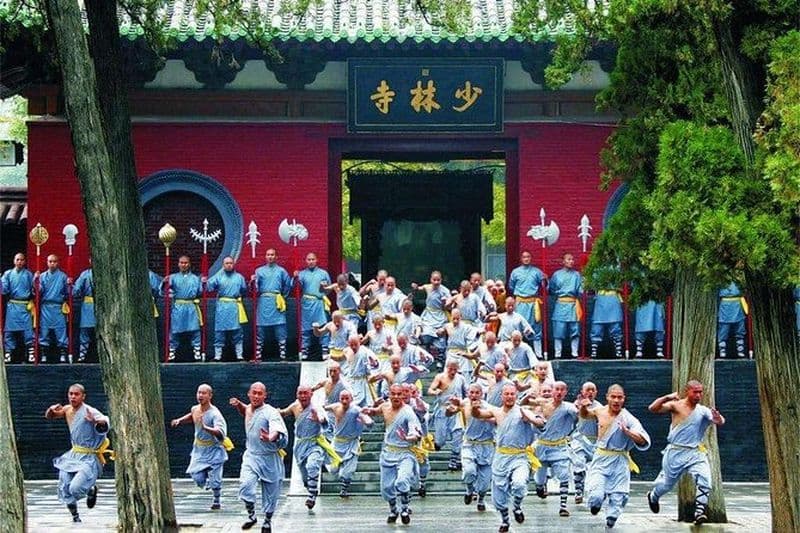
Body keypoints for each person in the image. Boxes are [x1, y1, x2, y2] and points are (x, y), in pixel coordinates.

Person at [646, 380, 726, 525]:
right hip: (675, 452)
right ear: (687, 391)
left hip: (695, 453)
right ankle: (653, 496)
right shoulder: (676, 406)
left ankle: (699, 512)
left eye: (700, 392)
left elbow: (720, 421)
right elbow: (653, 408)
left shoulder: (702, 411)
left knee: (705, 479)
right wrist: (667, 397)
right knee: (667, 485)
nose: (698, 395)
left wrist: (717, 418)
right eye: (695, 391)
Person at [471, 384, 544, 533]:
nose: (510, 397)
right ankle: (505, 520)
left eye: (512, 394)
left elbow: (538, 421)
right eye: (507, 394)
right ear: (502, 396)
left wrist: (534, 420)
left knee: (519, 484)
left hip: (520, 456)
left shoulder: (522, 411)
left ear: (516, 396)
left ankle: (517, 506)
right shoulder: (496, 411)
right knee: (499, 492)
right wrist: (474, 406)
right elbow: (478, 415)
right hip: (501, 456)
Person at [580, 384, 651, 529]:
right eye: (613, 397)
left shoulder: (628, 418)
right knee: (596, 496)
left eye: (619, 397)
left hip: (620, 460)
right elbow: (585, 415)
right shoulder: (600, 411)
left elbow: (643, 439)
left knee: (618, 498)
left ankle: (611, 519)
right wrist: (583, 407)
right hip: (601, 458)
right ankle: (596, 503)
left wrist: (627, 432)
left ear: (624, 399)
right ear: (607, 397)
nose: (616, 400)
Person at [45, 383, 111, 523]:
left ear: (83, 396)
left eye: (76, 394)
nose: (73, 397)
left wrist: (94, 422)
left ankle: (90, 490)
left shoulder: (90, 411)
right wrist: (50, 410)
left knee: (75, 488)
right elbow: (51, 416)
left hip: (89, 457)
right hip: (73, 455)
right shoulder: (67, 409)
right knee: (64, 486)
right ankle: (75, 517)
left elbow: (104, 424)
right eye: (70, 394)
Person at [229, 382, 288, 532]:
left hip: (269, 457)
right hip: (251, 456)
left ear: (265, 395)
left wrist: (270, 437)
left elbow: (276, 429)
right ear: (249, 394)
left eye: (259, 393)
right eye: (253, 393)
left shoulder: (271, 412)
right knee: (246, 485)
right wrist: (238, 405)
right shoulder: (249, 408)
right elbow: (246, 411)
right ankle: (251, 515)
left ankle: (267, 520)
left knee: (271, 492)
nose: (256, 396)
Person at [360, 384, 422, 524]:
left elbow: (415, 432)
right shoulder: (385, 406)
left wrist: (409, 437)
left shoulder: (408, 412)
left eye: (399, 394)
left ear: (403, 396)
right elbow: (376, 411)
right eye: (393, 394)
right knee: (386, 488)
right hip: (388, 453)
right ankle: (394, 509)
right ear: (389, 394)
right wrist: (368, 411)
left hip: (405, 453)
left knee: (402, 481)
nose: (396, 397)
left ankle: (405, 508)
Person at [170, 383, 231, 510]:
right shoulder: (195, 409)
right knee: (196, 475)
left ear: (210, 396)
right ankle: (207, 482)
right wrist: (179, 421)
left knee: (215, 478)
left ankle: (216, 499)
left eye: (203, 393)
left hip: (214, 449)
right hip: (199, 449)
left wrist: (206, 428)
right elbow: (192, 416)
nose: (200, 395)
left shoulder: (215, 414)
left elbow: (220, 433)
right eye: (199, 392)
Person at [280, 386, 339, 509]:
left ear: (311, 394)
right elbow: (284, 413)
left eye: (305, 393)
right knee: (305, 476)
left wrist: (319, 420)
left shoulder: (316, 408)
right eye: (300, 393)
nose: (303, 396)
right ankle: (310, 488)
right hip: (300, 445)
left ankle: (312, 496)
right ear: (296, 394)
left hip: (315, 444)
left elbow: (325, 422)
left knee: (312, 465)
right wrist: (272, 411)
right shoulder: (295, 406)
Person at [532, 381, 579, 516]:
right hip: (542, 446)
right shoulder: (542, 405)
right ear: (552, 391)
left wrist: (581, 408)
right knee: (540, 479)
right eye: (556, 389)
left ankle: (563, 506)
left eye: (562, 390)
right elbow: (524, 404)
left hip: (559, 447)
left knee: (564, 475)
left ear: (565, 392)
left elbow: (578, 413)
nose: (559, 392)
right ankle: (540, 486)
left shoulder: (568, 408)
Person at [447, 383, 495, 512]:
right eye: (471, 392)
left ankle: (481, 499)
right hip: (469, 444)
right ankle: (469, 490)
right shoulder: (463, 404)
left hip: (486, 446)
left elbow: (497, 419)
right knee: (469, 471)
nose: (473, 395)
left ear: (481, 394)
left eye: (476, 393)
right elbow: (449, 413)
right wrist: (452, 407)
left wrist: (487, 418)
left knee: (485, 482)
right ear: (468, 393)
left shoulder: (488, 407)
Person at [324, 389, 373, 497]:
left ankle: (344, 489)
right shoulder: (335, 406)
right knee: (333, 470)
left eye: (347, 398)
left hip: (351, 443)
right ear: (339, 399)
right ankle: (338, 468)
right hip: (337, 442)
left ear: (351, 399)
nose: (345, 401)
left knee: (348, 471)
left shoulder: (356, 410)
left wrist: (368, 422)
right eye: (342, 398)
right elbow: (324, 408)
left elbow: (366, 419)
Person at [205, 256, 248, 361]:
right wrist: (205, 282)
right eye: (226, 263)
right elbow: (209, 288)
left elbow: (244, 290)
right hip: (222, 308)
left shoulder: (239, 277)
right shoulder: (218, 277)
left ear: (233, 264)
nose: (229, 265)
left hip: (234, 306)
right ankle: (217, 356)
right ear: (223, 265)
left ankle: (239, 355)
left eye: (230, 263)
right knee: (219, 331)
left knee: (237, 331)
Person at [428, 358, 468, 471]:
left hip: (456, 410)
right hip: (443, 410)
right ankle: (436, 443)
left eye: (455, 369)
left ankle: (454, 460)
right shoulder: (440, 377)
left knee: (458, 434)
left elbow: (466, 393)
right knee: (441, 439)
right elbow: (430, 390)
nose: (453, 372)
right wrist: (436, 391)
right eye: (451, 369)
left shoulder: (461, 379)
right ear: (447, 368)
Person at [252, 248, 292, 361]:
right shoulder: (259, 271)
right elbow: (254, 288)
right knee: (260, 327)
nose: (270, 257)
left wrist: (282, 297)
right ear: (265, 256)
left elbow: (287, 285)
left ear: (276, 257)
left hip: (276, 300)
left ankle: (283, 352)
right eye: (268, 254)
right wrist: (253, 282)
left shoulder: (281, 271)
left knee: (280, 326)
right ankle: (258, 352)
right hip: (263, 300)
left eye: (272, 255)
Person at [164, 255, 203, 362]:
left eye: (185, 263)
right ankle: (172, 352)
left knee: (195, 329)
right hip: (178, 306)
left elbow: (200, 292)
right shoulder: (173, 277)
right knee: (175, 330)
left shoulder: (195, 278)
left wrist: (203, 282)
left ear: (189, 264)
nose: (183, 265)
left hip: (191, 306)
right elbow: (165, 290)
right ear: (178, 264)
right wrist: (165, 283)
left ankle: (197, 351)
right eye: (181, 262)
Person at [508, 251, 547, 356]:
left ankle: (538, 354)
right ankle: (518, 352)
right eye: (524, 257)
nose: (526, 259)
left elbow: (544, 287)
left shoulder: (537, 272)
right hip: (520, 303)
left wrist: (544, 280)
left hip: (533, 303)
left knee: (536, 327)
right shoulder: (515, 272)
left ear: (531, 258)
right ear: (521, 258)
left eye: (528, 257)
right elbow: (511, 286)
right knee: (518, 326)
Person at [570, 381, 602, 505]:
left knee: (595, 468)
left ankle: (595, 492)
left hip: (596, 442)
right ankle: (578, 490)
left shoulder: (599, 407)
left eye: (592, 390)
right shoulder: (575, 404)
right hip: (580, 439)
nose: (590, 392)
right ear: (582, 392)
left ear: (596, 392)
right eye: (587, 390)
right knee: (578, 463)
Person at [295, 252, 331, 360]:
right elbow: (296, 287)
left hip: (319, 302)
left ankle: (325, 349)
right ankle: (304, 349)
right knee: (306, 327)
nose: (311, 262)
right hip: (307, 303)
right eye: (309, 259)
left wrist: (324, 288)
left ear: (316, 260)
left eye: (313, 259)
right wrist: (296, 278)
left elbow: (329, 290)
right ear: (306, 261)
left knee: (323, 325)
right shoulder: (302, 274)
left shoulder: (323, 273)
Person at [411, 271, 450, 366]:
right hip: (428, 314)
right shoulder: (427, 287)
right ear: (431, 280)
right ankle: (426, 357)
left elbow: (449, 305)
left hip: (439, 314)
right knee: (425, 336)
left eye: (438, 280)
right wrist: (415, 288)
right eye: (434, 280)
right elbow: (420, 288)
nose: (436, 282)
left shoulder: (445, 291)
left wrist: (445, 303)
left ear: (441, 280)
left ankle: (440, 360)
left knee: (440, 337)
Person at [549, 253, 584, 358]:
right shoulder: (556, 275)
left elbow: (580, 291)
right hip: (560, 303)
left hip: (573, 303)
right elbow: (551, 289)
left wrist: (585, 284)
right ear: (563, 261)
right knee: (558, 329)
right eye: (568, 259)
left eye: (572, 259)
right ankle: (558, 353)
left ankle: (574, 352)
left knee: (575, 329)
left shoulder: (577, 275)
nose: (571, 261)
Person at [2, 253, 34, 363]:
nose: (19, 262)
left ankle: (31, 353)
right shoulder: (8, 274)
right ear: (14, 261)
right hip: (13, 305)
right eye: (17, 259)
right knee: (9, 331)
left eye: (22, 260)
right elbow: (4, 290)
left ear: (24, 261)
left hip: (25, 306)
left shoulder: (29, 275)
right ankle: (8, 353)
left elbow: (34, 290)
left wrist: (38, 281)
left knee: (28, 331)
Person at [37, 254, 70, 363]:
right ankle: (43, 354)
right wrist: (36, 282)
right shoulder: (42, 276)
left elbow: (68, 293)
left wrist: (70, 285)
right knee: (44, 331)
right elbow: (38, 292)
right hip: (45, 307)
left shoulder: (63, 276)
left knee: (61, 330)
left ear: (58, 263)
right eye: (50, 261)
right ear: (47, 262)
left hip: (58, 307)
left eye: (54, 261)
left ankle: (63, 354)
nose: (52, 264)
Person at [589, 270, 624, 358]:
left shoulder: (618, 269)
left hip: (613, 299)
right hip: (601, 298)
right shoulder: (596, 269)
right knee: (596, 327)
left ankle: (618, 352)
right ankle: (594, 352)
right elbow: (591, 285)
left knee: (615, 326)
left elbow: (622, 286)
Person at [439, 308, 481, 378]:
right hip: (451, 353)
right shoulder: (447, 326)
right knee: (448, 373)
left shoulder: (466, 327)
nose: (455, 321)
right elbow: (440, 332)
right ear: (451, 317)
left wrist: (480, 331)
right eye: (454, 318)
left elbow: (475, 331)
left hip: (462, 354)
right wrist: (440, 331)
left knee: (464, 374)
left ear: (461, 317)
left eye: (457, 319)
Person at [342, 334, 378, 406]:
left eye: (356, 344)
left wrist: (373, 363)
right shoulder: (346, 351)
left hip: (363, 381)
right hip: (351, 380)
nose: (354, 347)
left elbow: (376, 363)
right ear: (348, 343)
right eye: (351, 345)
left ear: (359, 342)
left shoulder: (365, 351)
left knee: (367, 404)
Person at [73, 261, 96, 363]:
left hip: (88, 305)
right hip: (90, 305)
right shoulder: (85, 274)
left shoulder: (85, 274)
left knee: (85, 332)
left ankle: (83, 354)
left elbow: (76, 290)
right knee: (85, 331)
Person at [717, 282, 747, 358]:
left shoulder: (739, 276)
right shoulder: (720, 276)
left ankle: (740, 349)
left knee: (740, 327)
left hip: (737, 303)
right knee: (724, 328)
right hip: (725, 304)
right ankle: (722, 349)